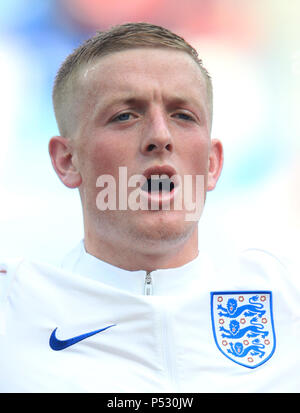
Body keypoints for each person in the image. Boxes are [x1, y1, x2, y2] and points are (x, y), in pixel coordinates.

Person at [0, 22, 299, 393]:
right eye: (125, 115)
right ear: (66, 160)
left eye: (183, 115)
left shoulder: (289, 299)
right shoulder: (12, 308)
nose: (160, 136)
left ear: (211, 163)